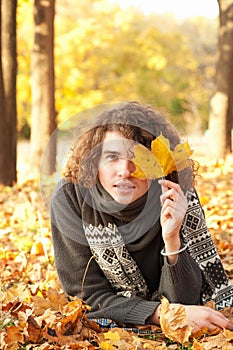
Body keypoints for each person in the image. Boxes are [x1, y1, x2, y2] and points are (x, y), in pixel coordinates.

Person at [50, 101, 233, 333]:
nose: (125, 171)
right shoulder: (71, 198)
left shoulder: (174, 195)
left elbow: (187, 300)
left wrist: (172, 239)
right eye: (112, 157)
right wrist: (159, 314)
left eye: (138, 157)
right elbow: (87, 296)